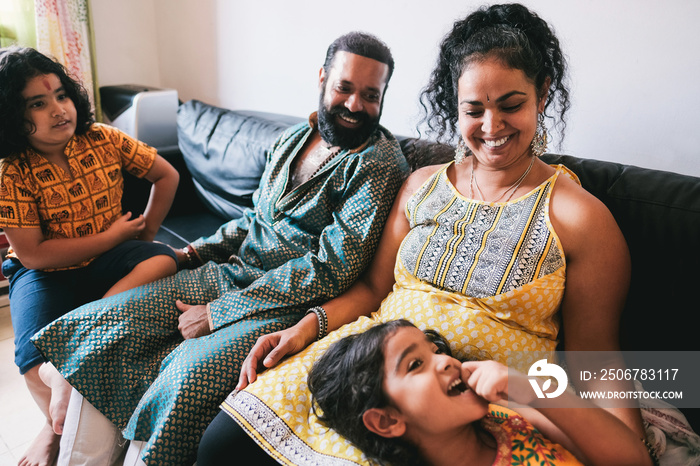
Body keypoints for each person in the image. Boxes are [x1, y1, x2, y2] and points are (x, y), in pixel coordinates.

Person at [198, 3, 650, 464]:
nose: (491, 127)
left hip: (476, 409)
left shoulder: (580, 218)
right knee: (221, 444)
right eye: (473, 109)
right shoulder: (420, 185)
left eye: (511, 105)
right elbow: (375, 289)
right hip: (369, 368)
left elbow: (595, 360)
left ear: (543, 93)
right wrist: (304, 328)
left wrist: (626, 444)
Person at [31, 32, 409, 464]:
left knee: (187, 375)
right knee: (107, 324)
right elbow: (254, 220)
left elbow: (330, 269)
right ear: (323, 78)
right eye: (345, 87)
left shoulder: (378, 165)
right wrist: (190, 254)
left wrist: (220, 312)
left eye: (370, 94)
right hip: (228, 272)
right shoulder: (291, 139)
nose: (355, 104)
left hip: (284, 305)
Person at [0, 47, 179, 466]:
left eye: (62, 95)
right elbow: (35, 255)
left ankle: (84, 330)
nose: (59, 109)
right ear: (10, 115)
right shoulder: (12, 171)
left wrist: (146, 232)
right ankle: (54, 426)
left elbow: (165, 175)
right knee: (30, 360)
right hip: (45, 274)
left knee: (165, 259)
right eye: (38, 104)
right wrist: (113, 235)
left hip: (111, 259)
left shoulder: (103, 139)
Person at [306, 319, 655, 466]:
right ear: (386, 419)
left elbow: (631, 461)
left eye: (435, 351)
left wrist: (532, 391)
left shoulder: (506, 418)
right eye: (415, 365)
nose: (445, 361)